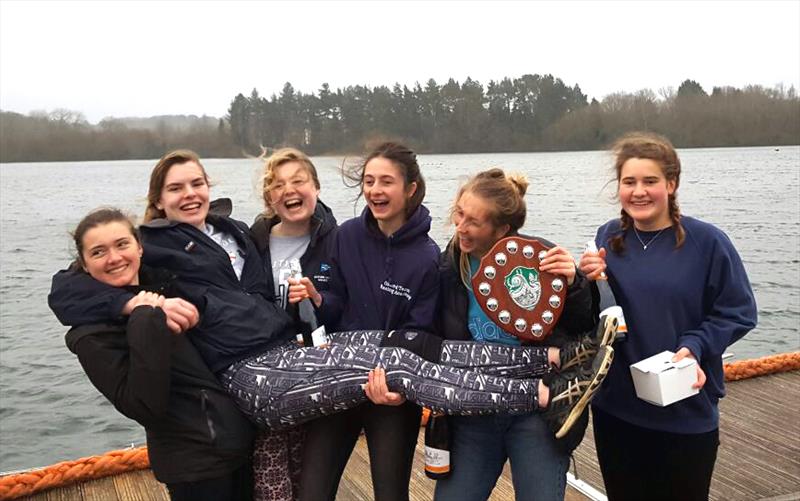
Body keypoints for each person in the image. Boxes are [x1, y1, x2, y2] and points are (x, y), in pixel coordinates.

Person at [48, 150, 609, 494]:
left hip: (284, 353)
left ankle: (558, 358)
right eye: (176, 188)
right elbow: (71, 285)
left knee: (399, 344)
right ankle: (541, 394)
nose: (190, 193)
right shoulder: (149, 246)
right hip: (249, 377)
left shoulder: (239, 233)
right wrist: (130, 303)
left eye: (197, 183)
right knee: (397, 366)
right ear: (157, 201)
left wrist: (308, 300)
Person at [579, 132, 757, 501]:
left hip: (685, 408)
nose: (639, 192)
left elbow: (738, 312)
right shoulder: (608, 237)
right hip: (617, 408)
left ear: (671, 184)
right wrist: (586, 281)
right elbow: (599, 316)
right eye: (629, 182)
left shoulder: (707, 242)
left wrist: (695, 346)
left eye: (650, 181)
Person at [433, 168, 613, 501]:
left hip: (537, 413)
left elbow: (582, 327)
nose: (460, 227)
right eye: (459, 214)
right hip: (477, 408)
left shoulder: (538, 257)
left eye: (474, 221)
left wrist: (574, 283)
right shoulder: (448, 264)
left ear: (501, 229)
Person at [63, 208, 255, 501]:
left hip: (237, 443)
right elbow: (144, 406)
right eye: (98, 252)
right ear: (85, 265)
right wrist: (144, 316)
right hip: (194, 463)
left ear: (139, 247)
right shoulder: (92, 335)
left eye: (122, 244)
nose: (114, 258)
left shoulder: (165, 286)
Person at [248, 147, 338, 501]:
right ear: (270, 198)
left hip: (318, 371)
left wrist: (320, 300)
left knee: (312, 480)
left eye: (298, 181)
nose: (289, 190)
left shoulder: (339, 240)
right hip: (268, 373)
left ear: (315, 187)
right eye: (278, 185)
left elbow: (349, 304)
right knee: (270, 480)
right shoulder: (253, 242)